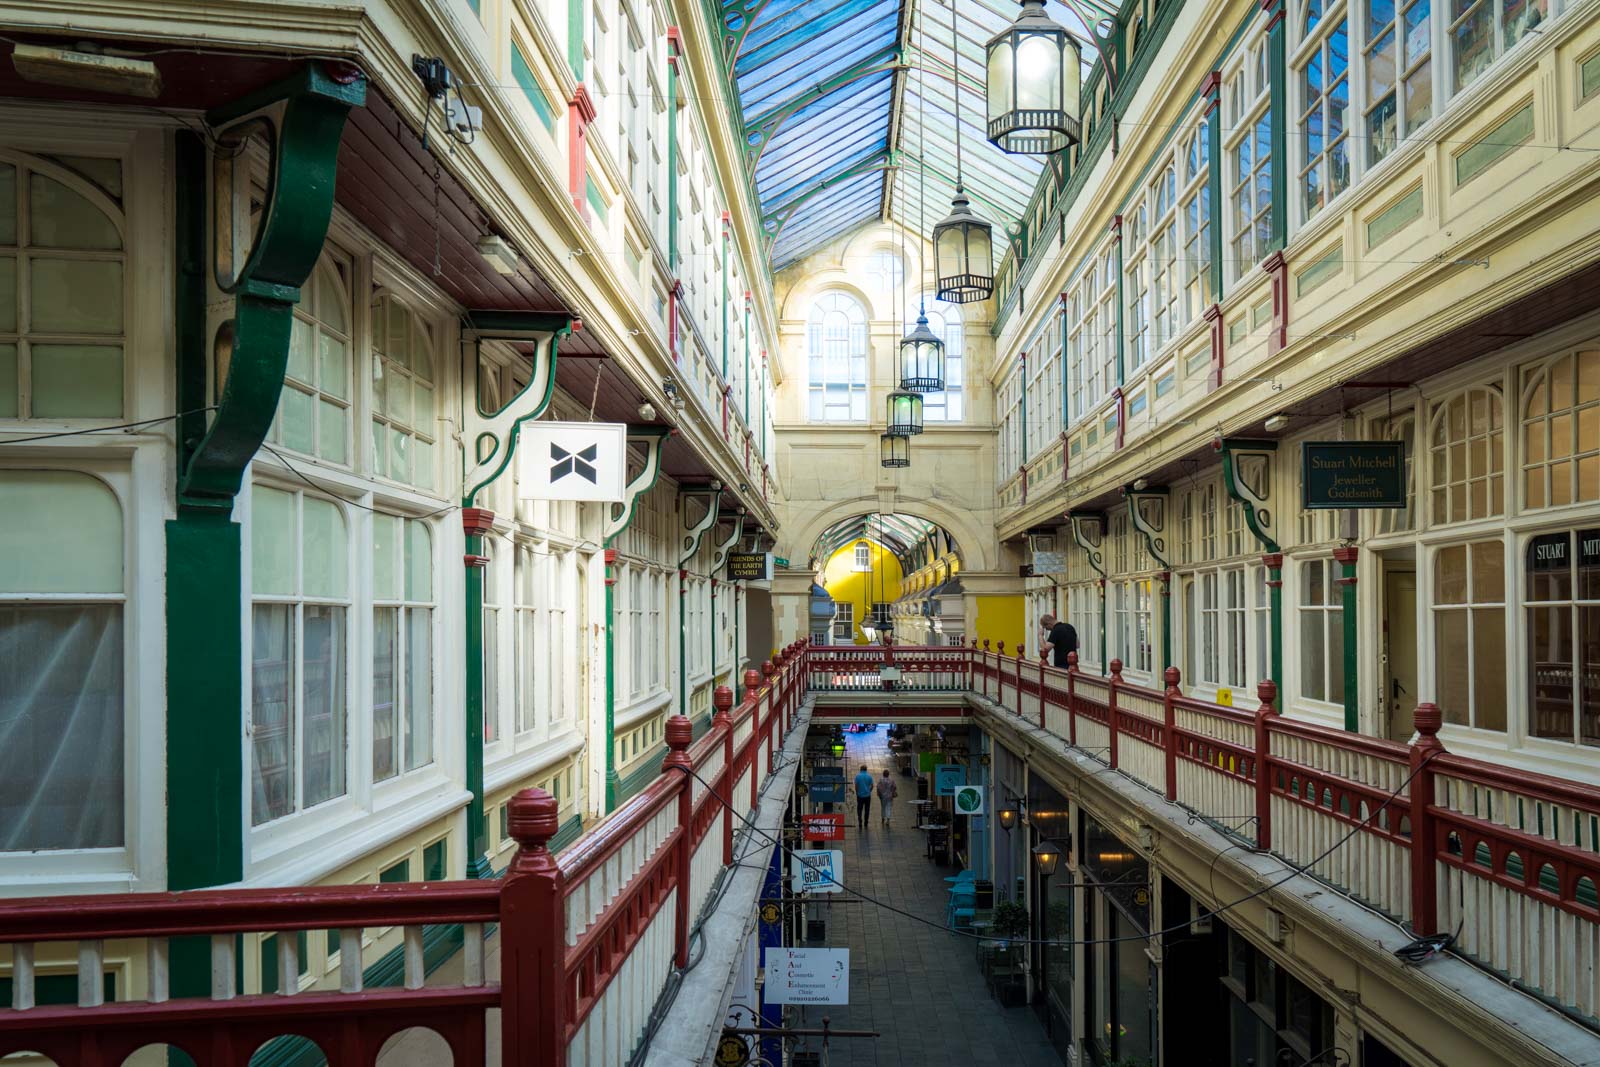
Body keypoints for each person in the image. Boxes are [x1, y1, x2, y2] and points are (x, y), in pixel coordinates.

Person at [853, 764, 875, 830]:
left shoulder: (857, 776)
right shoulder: (869, 776)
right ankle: (866, 822)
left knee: (859, 809)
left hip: (860, 796)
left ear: (861, 769)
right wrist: (869, 791)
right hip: (867, 796)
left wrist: (857, 792)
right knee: (867, 809)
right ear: (866, 769)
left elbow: (856, 786)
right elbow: (872, 785)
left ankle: (860, 820)